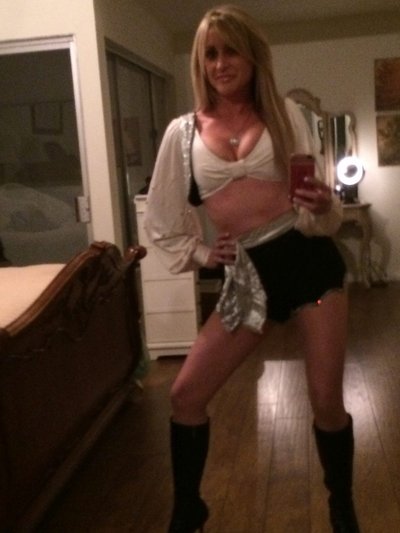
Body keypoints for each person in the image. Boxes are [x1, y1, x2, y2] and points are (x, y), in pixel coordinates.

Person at [144, 5, 360, 533]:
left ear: (252, 56)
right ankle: (188, 510)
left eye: (231, 51)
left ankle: (342, 505)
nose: (221, 63)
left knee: (326, 401)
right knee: (185, 394)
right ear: (201, 63)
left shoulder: (284, 114)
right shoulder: (182, 134)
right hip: (246, 275)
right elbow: (163, 217)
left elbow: (319, 203)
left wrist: (323, 203)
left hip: (307, 262)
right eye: (210, 54)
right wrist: (202, 255)